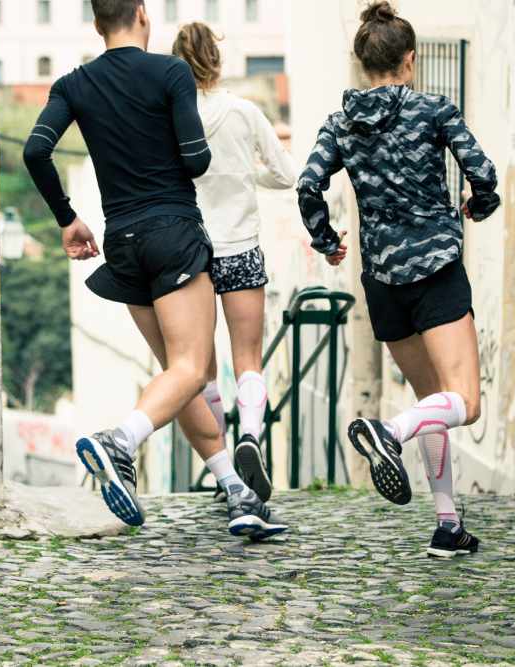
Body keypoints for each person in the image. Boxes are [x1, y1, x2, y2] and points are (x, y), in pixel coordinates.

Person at [23, 0, 287, 540]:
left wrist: (67, 218)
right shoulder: (169, 73)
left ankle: (235, 490)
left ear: (98, 23)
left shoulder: (74, 84)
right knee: (193, 369)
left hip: (121, 239)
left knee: (177, 373)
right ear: (142, 14)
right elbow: (196, 161)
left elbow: (34, 151)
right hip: (172, 231)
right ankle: (119, 440)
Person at [296, 1, 500, 557]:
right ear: (408, 62)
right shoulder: (434, 109)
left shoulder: (340, 125)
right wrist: (477, 205)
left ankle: (447, 524)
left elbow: (308, 185)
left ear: (364, 64)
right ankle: (390, 431)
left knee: (431, 395)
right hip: (434, 268)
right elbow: (482, 171)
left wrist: (326, 238)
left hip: (382, 280)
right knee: (464, 401)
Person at [171, 23, 297, 503]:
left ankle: (227, 469)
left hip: (193, 252)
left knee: (200, 368)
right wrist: (247, 176)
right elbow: (286, 175)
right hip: (241, 246)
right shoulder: (245, 112)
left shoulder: (170, 119)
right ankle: (251, 436)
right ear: (218, 62)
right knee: (249, 360)